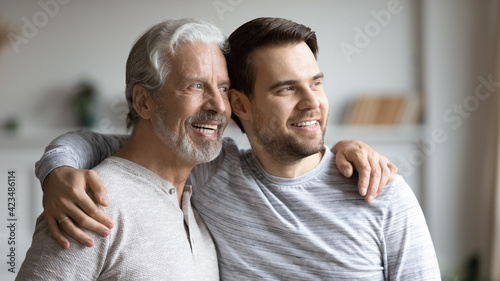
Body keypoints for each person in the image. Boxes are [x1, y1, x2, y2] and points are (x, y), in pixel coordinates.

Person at [32, 18, 438, 280]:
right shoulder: (210, 172)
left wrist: (348, 147)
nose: (313, 102)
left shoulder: (380, 192)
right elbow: (118, 147)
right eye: (286, 89)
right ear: (242, 105)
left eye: (316, 83)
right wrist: (55, 168)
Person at [17, 18, 230, 280]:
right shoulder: (91, 204)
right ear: (143, 102)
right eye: (196, 86)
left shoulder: (195, 210)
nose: (219, 106)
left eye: (224, 88)